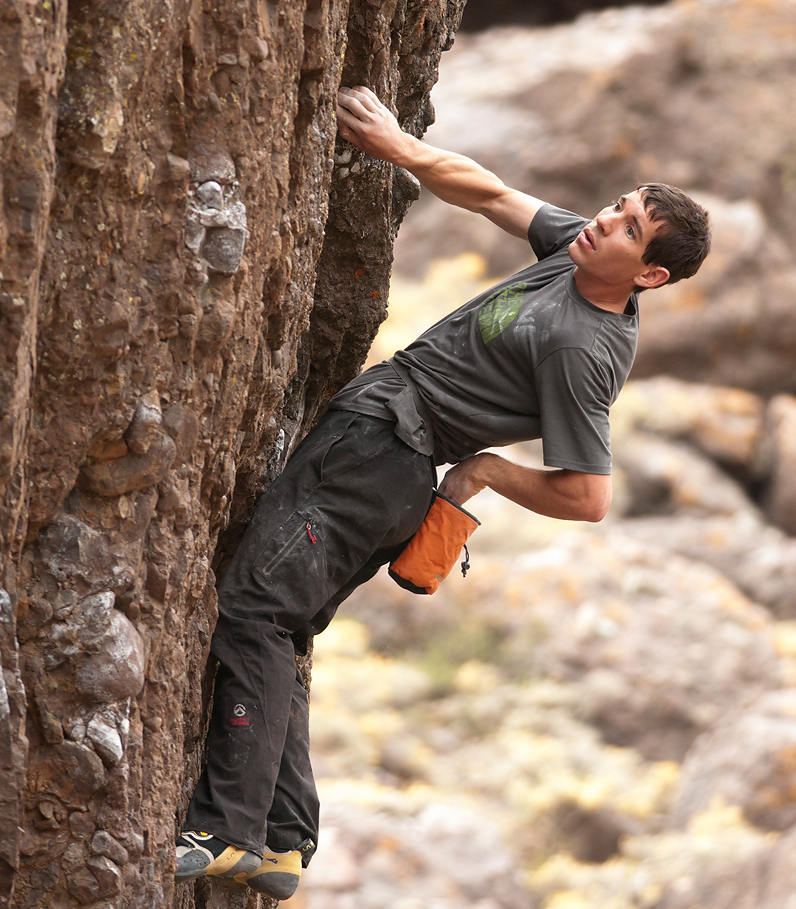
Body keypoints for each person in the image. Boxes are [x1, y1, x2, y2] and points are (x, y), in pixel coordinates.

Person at [174, 85, 711, 898]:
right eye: (618, 205)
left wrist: (488, 470)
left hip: (382, 453)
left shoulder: (581, 345)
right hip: (385, 452)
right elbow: (491, 191)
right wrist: (401, 149)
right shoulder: (580, 255)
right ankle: (284, 838)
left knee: (254, 609)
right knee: (284, 625)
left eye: (629, 227)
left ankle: (226, 829)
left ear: (651, 273)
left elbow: (588, 494)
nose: (604, 219)